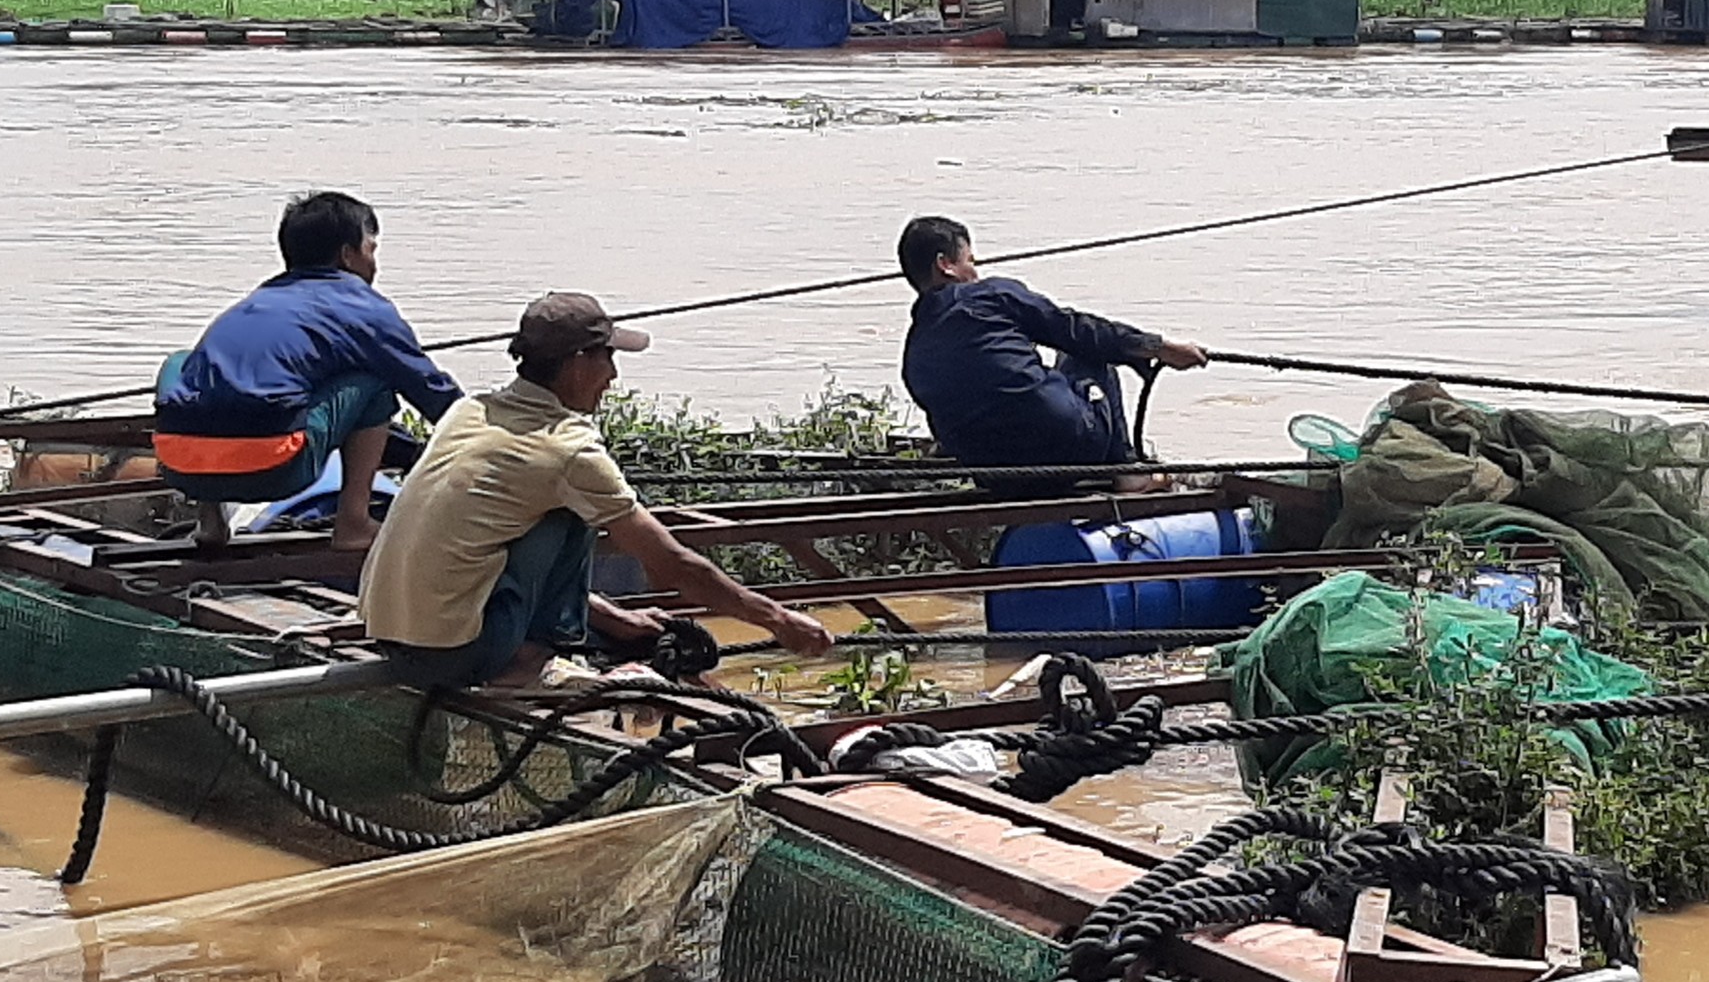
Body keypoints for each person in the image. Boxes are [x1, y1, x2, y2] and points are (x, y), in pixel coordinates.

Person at [358, 292, 834, 692]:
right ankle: (530, 660)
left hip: (390, 637)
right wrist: (779, 621)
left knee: (541, 507)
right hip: (457, 655)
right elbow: (671, 563)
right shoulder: (567, 449)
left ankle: (542, 640)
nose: (614, 376)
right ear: (578, 363)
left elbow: (488, 554)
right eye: (608, 357)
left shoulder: (469, 413)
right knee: (574, 509)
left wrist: (613, 618)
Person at [153, 191, 461, 551]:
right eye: (370, 250)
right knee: (376, 379)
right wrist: (491, 431)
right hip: (275, 468)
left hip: (182, 468)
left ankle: (210, 522)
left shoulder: (255, 301)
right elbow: (430, 389)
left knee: (181, 362)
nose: (374, 264)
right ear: (348, 255)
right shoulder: (365, 308)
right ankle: (353, 523)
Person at [896, 215, 1207, 478]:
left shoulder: (913, 355)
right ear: (946, 265)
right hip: (1067, 447)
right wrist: (1159, 347)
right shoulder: (990, 295)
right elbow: (1075, 329)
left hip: (998, 478)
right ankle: (1125, 473)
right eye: (970, 261)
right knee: (1084, 354)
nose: (975, 272)